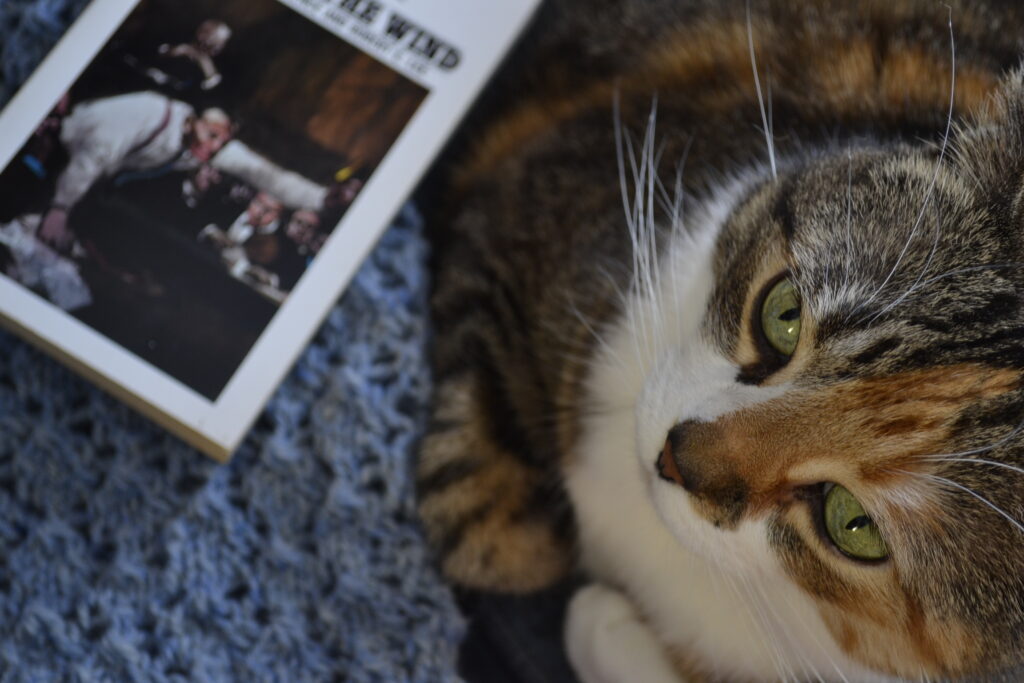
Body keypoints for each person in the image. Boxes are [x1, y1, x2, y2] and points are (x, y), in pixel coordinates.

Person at [36, 91, 233, 253]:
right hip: (60, 149)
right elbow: (95, 155)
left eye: (221, 143)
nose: (214, 146)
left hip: (87, 180)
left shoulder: (186, 149)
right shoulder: (152, 112)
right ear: (193, 121)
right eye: (211, 135)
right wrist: (59, 209)